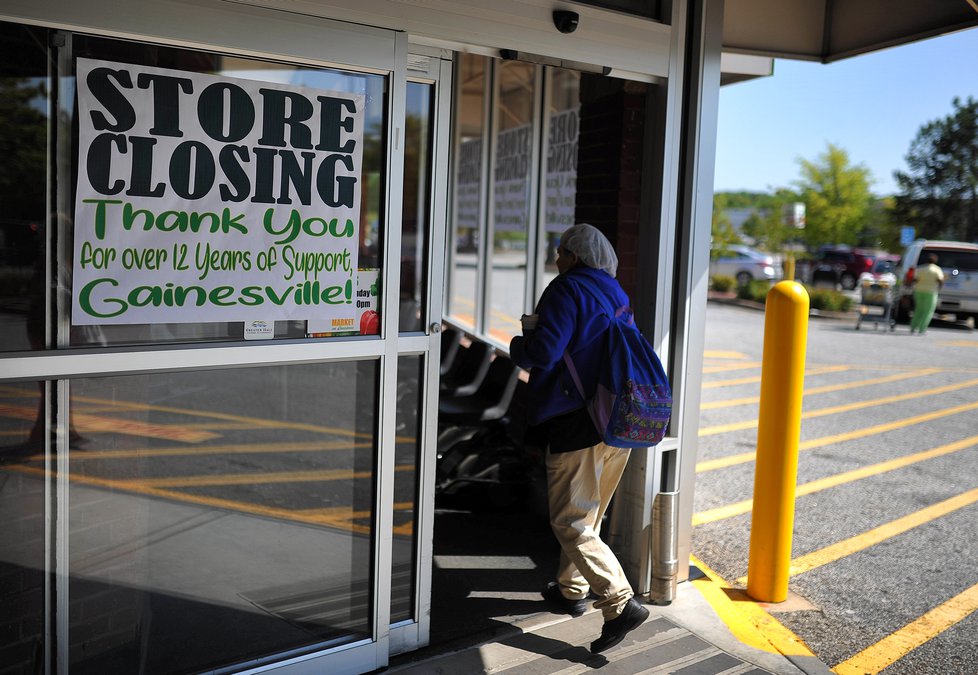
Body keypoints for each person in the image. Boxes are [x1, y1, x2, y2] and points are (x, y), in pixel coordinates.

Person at [509, 223, 649, 654]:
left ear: (575, 256)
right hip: (618, 418)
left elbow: (546, 352)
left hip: (576, 419)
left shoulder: (566, 289)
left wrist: (518, 346)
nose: (556, 259)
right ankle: (572, 591)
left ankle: (619, 601)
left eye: (560, 252)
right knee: (589, 515)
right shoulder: (615, 292)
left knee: (570, 521)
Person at [910, 253, 944, 335]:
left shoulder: (921, 268)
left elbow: (915, 280)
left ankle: (913, 327)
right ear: (935, 261)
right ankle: (922, 329)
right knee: (928, 311)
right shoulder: (937, 269)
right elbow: (940, 280)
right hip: (931, 292)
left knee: (918, 310)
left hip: (918, 291)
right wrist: (939, 288)